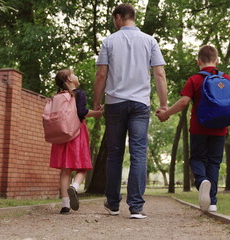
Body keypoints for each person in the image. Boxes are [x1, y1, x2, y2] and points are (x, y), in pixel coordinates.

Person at [93, 3, 168, 219]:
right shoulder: (150, 41)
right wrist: (163, 105)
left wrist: (97, 104)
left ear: (118, 18)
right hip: (140, 105)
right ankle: (136, 207)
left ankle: (114, 204)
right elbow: (160, 74)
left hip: (115, 103)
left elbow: (101, 75)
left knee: (115, 154)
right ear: (132, 17)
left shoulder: (109, 41)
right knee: (138, 153)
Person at [156, 45, 230, 212]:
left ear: (198, 61)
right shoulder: (226, 79)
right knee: (214, 163)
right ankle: (212, 202)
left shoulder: (195, 79)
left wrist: (167, 113)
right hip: (220, 129)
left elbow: (183, 102)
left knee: (197, 159)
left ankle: (202, 180)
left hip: (199, 128)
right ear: (216, 61)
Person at [50, 69, 103, 214]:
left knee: (65, 170)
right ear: (69, 79)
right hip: (76, 134)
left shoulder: (58, 96)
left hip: (61, 135)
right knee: (83, 167)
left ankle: (65, 205)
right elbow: (82, 112)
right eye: (74, 74)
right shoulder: (79, 93)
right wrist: (98, 113)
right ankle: (74, 186)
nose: (76, 76)